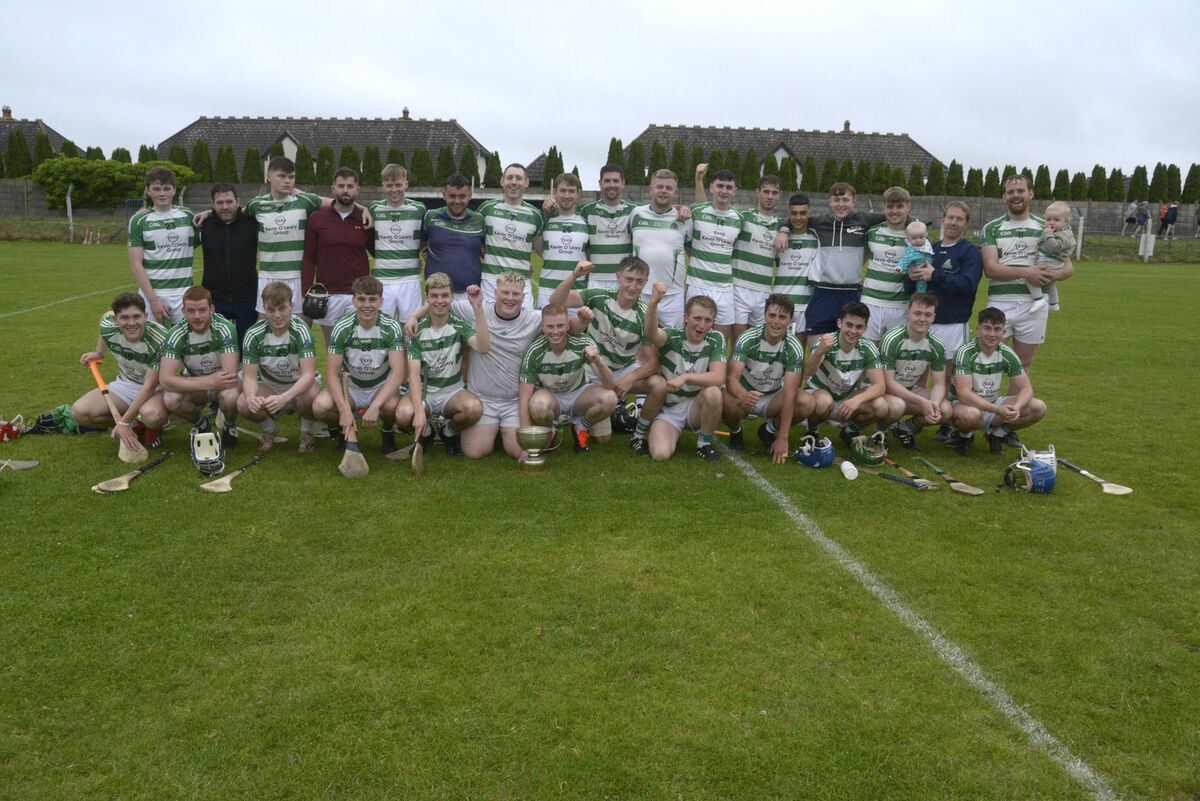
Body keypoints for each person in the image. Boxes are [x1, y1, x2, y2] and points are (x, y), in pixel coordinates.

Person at [405, 271, 558, 460]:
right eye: (505, 293)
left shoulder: (533, 319)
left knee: (517, 451)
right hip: (483, 400)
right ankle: (494, 431)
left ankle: (508, 432)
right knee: (475, 451)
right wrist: (413, 316)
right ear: (495, 294)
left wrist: (581, 321)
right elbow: (441, 303)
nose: (510, 298)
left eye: (516, 294)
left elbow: (559, 320)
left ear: (524, 297)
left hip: (513, 401)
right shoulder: (476, 308)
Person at [550, 257, 664, 447]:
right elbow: (556, 300)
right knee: (602, 440)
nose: (632, 286)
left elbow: (653, 363)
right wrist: (574, 275)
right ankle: (585, 418)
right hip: (593, 371)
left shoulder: (646, 314)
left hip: (622, 370)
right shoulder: (599, 296)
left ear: (646, 283)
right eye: (628, 279)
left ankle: (639, 434)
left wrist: (630, 378)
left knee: (659, 385)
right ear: (618, 277)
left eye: (639, 281)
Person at [238, 157, 369, 312]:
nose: (287, 181)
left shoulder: (306, 200)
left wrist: (365, 209)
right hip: (268, 275)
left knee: (301, 328)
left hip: (297, 277)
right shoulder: (256, 205)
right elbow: (232, 215)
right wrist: (207, 213)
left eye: (291, 177)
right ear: (269, 177)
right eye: (282, 176)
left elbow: (339, 203)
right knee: (266, 326)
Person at [904, 201, 983, 443]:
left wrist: (934, 275)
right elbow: (912, 287)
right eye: (950, 217)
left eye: (959, 219)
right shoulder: (930, 248)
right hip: (925, 323)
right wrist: (911, 277)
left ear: (966, 224)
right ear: (942, 220)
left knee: (947, 376)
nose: (953, 222)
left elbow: (968, 285)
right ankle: (913, 421)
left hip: (952, 323)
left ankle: (946, 424)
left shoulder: (969, 251)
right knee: (919, 374)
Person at [980, 174, 1072, 371]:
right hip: (1001, 302)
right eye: (1010, 192)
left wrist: (1051, 275)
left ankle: (1014, 403)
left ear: (1030, 194)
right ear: (1004, 197)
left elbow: (1068, 268)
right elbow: (990, 268)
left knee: (1022, 366)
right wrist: (1027, 273)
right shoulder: (992, 228)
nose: (1016, 195)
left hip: (1035, 306)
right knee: (987, 363)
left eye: (1021, 191)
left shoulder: (1046, 226)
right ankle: (986, 403)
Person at [312, 275, 410, 455]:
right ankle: (345, 430)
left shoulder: (392, 327)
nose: (367, 305)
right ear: (354, 301)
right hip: (351, 386)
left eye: (372, 300)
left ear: (381, 301)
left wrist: (375, 406)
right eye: (361, 299)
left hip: (380, 386)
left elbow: (398, 373)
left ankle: (387, 431)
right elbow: (331, 373)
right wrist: (343, 410)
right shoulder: (342, 327)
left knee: (391, 408)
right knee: (320, 406)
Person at [782, 182, 893, 338]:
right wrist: (784, 231)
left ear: (854, 202)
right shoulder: (821, 222)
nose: (841, 204)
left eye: (845, 200)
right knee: (818, 350)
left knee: (847, 348)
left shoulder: (863, 219)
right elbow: (795, 219)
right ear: (830, 202)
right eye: (837, 200)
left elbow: (895, 215)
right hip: (823, 293)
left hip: (850, 294)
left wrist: (915, 228)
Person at [405, 273, 490, 457]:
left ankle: (448, 432)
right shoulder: (417, 330)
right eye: (434, 296)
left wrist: (478, 308)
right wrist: (419, 412)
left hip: (452, 392)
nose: (440, 301)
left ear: (452, 297)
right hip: (425, 393)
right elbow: (413, 373)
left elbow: (483, 348)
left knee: (474, 409)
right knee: (404, 414)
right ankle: (426, 433)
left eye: (445, 295)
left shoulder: (460, 326)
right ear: (426, 298)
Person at [639, 285, 726, 462]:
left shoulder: (716, 339)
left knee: (714, 392)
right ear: (686, 318)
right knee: (660, 454)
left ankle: (704, 445)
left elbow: (718, 377)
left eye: (708, 320)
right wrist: (654, 303)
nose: (702, 326)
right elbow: (651, 334)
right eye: (697, 318)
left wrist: (685, 377)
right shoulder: (672, 335)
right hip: (670, 410)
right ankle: (664, 433)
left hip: (696, 406)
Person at [72, 293, 170, 451]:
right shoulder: (109, 327)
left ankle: (151, 427)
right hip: (126, 384)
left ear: (145, 316)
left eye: (136, 317)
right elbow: (106, 316)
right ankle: (135, 425)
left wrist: (123, 422)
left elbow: (149, 386)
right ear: (116, 320)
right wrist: (99, 353)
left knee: (153, 415)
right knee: (79, 412)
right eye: (124, 318)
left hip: (156, 389)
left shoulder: (159, 339)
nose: (131, 323)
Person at [722, 293, 813, 464]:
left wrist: (783, 438)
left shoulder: (794, 347)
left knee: (806, 401)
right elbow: (731, 380)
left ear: (790, 320)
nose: (776, 322)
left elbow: (790, 394)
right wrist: (743, 395)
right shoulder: (748, 338)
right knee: (725, 399)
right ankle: (736, 432)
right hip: (744, 394)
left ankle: (769, 430)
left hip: (772, 398)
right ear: (764, 316)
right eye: (772, 315)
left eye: (782, 317)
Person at [946, 307, 1046, 456]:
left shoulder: (1007, 353)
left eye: (997, 329)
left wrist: (1017, 408)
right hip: (964, 406)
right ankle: (964, 436)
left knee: (1038, 407)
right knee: (971, 415)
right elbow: (964, 394)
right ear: (978, 329)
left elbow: (1026, 389)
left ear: (1004, 332)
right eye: (987, 328)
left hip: (992, 404)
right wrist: (998, 410)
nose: (992, 334)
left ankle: (996, 435)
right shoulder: (965, 352)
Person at [519, 304, 618, 453]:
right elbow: (524, 397)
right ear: (542, 327)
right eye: (550, 326)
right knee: (538, 405)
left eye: (560, 326)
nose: (556, 331)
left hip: (578, 394)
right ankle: (550, 431)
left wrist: (598, 361)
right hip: (551, 396)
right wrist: (526, 443)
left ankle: (581, 427)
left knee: (610, 398)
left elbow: (610, 384)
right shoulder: (534, 351)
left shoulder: (583, 342)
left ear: (568, 326)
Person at [237, 281, 320, 451]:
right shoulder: (254, 334)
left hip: (299, 386)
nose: (277, 315)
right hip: (270, 386)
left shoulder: (302, 331)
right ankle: (269, 429)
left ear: (292, 306)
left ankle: (306, 432)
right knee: (243, 403)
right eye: (271, 310)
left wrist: (284, 398)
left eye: (282, 308)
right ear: (264, 309)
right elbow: (250, 377)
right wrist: (252, 397)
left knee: (311, 397)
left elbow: (308, 375)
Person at [158, 285, 240, 448]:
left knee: (231, 395)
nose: (197, 317)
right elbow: (165, 380)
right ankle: (202, 425)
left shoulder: (224, 328)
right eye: (191, 311)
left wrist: (211, 382)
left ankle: (229, 427)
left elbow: (229, 376)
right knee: (171, 398)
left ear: (211, 309)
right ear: (183, 311)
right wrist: (209, 382)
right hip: (200, 384)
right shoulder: (176, 333)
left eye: (202, 310)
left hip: (222, 384)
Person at [300, 167, 374, 343]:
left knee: (357, 347)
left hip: (358, 294)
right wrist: (306, 290)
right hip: (328, 294)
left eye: (350, 186)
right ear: (333, 189)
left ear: (357, 189)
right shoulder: (317, 219)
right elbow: (309, 258)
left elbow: (379, 252)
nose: (345, 190)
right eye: (341, 186)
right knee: (333, 349)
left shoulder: (366, 219)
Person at [803, 301, 887, 448]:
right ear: (840, 323)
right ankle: (812, 432)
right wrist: (819, 351)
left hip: (845, 398)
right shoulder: (827, 342)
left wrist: (858, 399)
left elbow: (880, 386)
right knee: (824, 402)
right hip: (819, 394)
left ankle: (850, 430)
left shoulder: (868, 347)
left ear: (865, 328)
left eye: (859, 327)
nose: (853, 331)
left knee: (881, 406)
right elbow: (808, 371)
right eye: (849, 325)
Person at [878, 293, 949, 451]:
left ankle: (905, 428)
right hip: (884, 392)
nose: (922, 319)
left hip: (909, 391)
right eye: (917, 313)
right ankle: (880, 433)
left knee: (945, 409)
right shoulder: (892, 339)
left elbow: (939, 384)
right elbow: (887, 383)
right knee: (897, 406)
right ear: (908, 313)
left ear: (934, 317)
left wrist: (934, 405)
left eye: (928, 315)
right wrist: (922, 402)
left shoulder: (937, 345)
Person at [127, 166, 196, 325]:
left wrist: (206, 213)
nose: (162, 193)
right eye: (156, 189)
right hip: (153, 294)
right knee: (155, 347)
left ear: (174, 190)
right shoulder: (139, 221)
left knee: (185, 347)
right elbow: (135, 263)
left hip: (183, 293)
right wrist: (153, 300)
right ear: (148, 191)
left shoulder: (187, 216)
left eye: (166, 188)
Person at [684, 166, 744, 342]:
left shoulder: (739, 219)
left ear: (735, 191)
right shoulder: (696, 212)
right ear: (711, 188)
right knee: (693, 340)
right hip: (697, 284)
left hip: (724, 289)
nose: (723, 191)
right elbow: (689, 246)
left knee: (719, 343)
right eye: (720, 186)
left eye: (728, 187)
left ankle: (715, 370)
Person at [199, 183, 259, 350]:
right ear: (212, 204)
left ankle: (246, 376)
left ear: (238, 202)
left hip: (247, 297)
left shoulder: (252, 223)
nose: (225, 207)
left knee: (247, 347)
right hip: (215, 298)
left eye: (229, 201)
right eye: (219, 203)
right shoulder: (204, 225)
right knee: (217, 349)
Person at [630, 169, 692, 328]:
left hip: (673, 295)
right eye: (659, 187)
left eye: (669, 188)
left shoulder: (684, 218)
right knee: (642, 346)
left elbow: (691, 252)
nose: (664, 191)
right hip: (642, 292)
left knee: (672, 346)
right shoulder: (636, 214)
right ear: (651, 189)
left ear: (675, 192)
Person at [369, 163, 426, 325]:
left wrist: (422, 252)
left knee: (409, 329)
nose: (394, 189)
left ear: (406, 184)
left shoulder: (419, 209)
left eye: (398, 185)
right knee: (383, 330)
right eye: (389, 185)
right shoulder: (374, 208)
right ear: (383, 186)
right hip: (382, 281)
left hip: (410, 279)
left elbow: (427, 237)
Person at [479, 163, 543, 304]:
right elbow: (473, 240)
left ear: (526, 183)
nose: (514, 182)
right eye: (510, 178)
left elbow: (542, 250)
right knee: (487, 325)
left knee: (524, 326)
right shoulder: (487, 208)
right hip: (491, 282)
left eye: (519, 178)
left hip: (521, 283)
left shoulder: (535, 215)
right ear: (502, 181)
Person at [861, 186, 915, 343]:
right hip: (870, 302)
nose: (894, 211)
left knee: (893, 358)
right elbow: (860, 262)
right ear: (884, 207)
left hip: (900, 305)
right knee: (868, 355)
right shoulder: (872, 232)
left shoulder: (914, 237)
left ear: (908, 207)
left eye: (899, 206)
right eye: (890, 206)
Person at [421, 173, 486, 294]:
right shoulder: (431, 216)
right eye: (452, 196)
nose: (457, 201)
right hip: (437, 294)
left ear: (470, 196)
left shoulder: (479, 220)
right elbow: (420, 245)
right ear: (444, 195)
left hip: (470, 294)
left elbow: (485, 252)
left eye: (462, 196)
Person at [577, 164, 638, 290]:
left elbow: (657, 210)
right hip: (596, 279)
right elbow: (564, 209)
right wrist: (548, 208)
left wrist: (680, 208)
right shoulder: (586, 210)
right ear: (600, 183)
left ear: (623, 183)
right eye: (607, 181)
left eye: (615, 181)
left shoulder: (635, 210)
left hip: (623, 280)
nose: (611, 185)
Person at [537, 173, 590, 309]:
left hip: (576, 294)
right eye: (562, 191)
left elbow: (588, 257)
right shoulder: (545, 220)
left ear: (578, 193)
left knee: (576, 330)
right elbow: (538, 248)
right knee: (545, 330)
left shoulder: (585, 223)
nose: (567, 196)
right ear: (554, 192)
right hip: (547, 292)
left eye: (571, 191)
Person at [775, 193, 819, 348]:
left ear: (809, 214)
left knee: (797, 354)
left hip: (804, 307)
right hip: (779, 305)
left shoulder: (817, 239)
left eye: (802, 213)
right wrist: (783, 231)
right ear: (788, 214)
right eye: (794, 213)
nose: (798, 217)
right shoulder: (778, 237)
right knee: (776, 353)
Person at [1030, 201, 1076, 314]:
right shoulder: (1058, 231)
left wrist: (1048, 234)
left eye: (1056, 220)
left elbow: (1053, 248)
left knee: (1030, 276)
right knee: (1051, 283)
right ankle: (1054, 303)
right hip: (1052, 259)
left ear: (1066, 222)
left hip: (1051, 260)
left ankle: (1038, 299)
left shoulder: (1064, 234)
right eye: (1048, 219)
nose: (1051, 223)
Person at [896, 220, 934, 293]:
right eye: (914, 238)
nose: (918, 241)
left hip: (927, 270)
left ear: (926, 235)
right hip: (917, 271)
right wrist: (899, 267)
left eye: (921, 237)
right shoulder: (911, 250)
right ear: (908, 238)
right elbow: (905, 259)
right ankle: (921, 296)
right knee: (921, 284)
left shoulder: (926, 245)